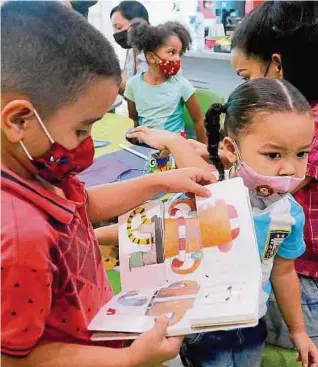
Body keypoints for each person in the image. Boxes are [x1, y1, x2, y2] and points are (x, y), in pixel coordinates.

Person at [1, 2, 216, 367]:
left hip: (102, 327)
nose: (86, 144)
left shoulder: (41, 173)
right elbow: (16, 358)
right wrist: (131, 360)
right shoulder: (22, 237)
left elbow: (85, 205)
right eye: (82, 128)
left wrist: (162, 181)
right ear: (20, 120)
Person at [127, 78, 318, 367]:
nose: (290, 168)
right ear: (231, 148)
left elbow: (283, 272)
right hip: (201, 328)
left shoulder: (289, 213)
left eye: (301, 153)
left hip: (252, 324)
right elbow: (150, 243)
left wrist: (299, 331)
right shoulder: (202, 196)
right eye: (273, 155)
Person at [231, 1, 318, 349]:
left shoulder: (303, 129)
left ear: (277, 66)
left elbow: (270, 182)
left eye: (246, 78)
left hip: (304, 276)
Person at [124, 19, 207, 143]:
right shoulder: (132, 85)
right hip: (145, 147)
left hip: (176, 149)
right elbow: (134, 121)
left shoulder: (182, 85)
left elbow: (199, 121)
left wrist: (204, 153)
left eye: (180, 53)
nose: (177, 58)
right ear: (151, 57)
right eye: (172, 52)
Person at [110, 1, 149, 94]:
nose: (115, 33)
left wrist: (115, 79)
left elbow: (147, 95)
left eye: (119, 27)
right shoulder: (132, 50)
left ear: (137, 25)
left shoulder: (155, 52)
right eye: (114, 28)